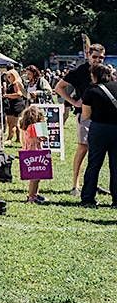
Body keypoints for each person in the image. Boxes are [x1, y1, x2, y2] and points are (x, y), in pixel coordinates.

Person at [56, 43, 106, 197]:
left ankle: (92, 183)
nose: (98, 60)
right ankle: (75, 184)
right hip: (84, 115)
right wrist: (73, 102)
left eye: (101, 57)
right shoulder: (80, 71)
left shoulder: (104, 71)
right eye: (95, 57)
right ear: (88, 56)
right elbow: (59, 87)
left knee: (97, 151)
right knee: (83, 147)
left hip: (102, 116)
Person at [80, 63, 117, 208]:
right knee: (115, 165)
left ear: (94, 75)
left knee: (94, 164)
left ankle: (88, 198)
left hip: (99, 129)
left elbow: (85, 115)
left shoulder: (91, 91)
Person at [18, 104, 48, 205]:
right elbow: (43, 137)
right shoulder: (35, 127)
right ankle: (31, 196)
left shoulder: (25, 127)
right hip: (35, 153)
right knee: (35, 178)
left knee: (35, 177)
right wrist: (43, 127)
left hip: (28, 152)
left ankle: (35, 194)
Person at [2, 68, 27, 143]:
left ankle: (9, 138)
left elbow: (19, 94)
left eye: (9, 77)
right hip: (13, 104)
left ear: (14, 76)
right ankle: (18, 139)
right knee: (14, 123)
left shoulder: (16, 83)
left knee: (13, 123)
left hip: (17, 104)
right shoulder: (12, 83)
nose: (8, 78)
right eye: (7, 77)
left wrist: (7, 95)